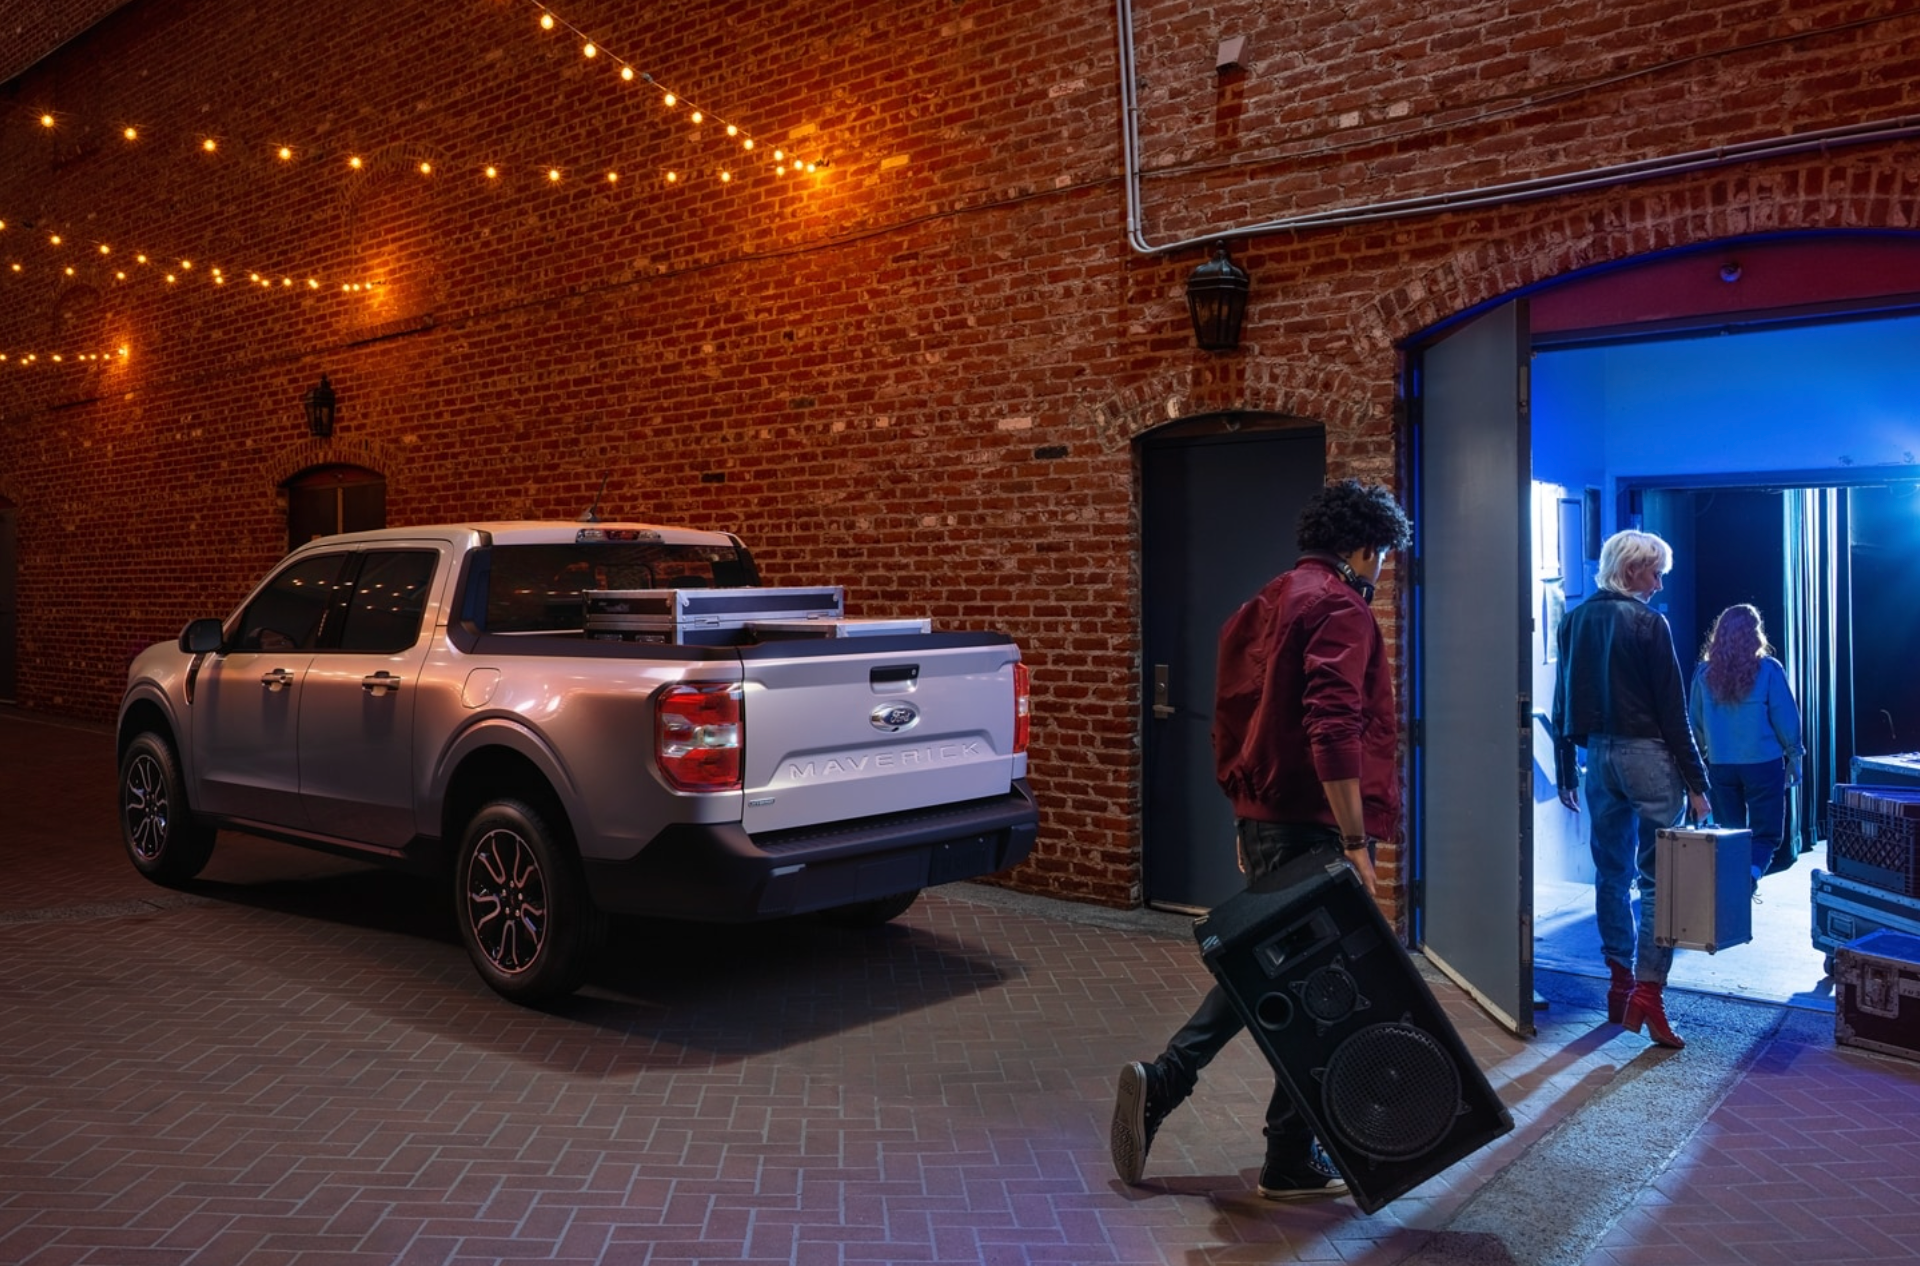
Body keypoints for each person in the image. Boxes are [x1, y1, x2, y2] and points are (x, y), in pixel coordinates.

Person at [1110, 478, 1410, 1201]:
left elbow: (1235, 714)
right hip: (1312, 825)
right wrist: (1354, 842)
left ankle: (1260, 1139)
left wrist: (1247, 812)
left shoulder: (1268, 599)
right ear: (1366, 548)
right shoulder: (1340, 607)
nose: (1382, 572)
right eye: (1384, 559)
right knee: (1315, 988)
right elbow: (1332, 726)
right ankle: (1257, 1138)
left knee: (1280, 975)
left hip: (1270, 819)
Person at [1550, 529, 1711, 1049]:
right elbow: (1672, 712)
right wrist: (1697, 783)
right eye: (1654, 571)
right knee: (1659, 878)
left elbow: (1561, 700)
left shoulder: (1574, 620)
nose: (1660, 583)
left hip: (1597, 754)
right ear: (1632, 569)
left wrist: (1567, 768)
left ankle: (1619, 983)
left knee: (1611, 874)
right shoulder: (1648, 624)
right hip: (1648, 756)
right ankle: (1648, 991)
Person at [1688, 604, 1804, 898]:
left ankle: (1730, 890)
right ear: (1755, 634)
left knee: (1731, 834)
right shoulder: (1769, 670)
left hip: (1720, 765)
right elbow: (1786, 717)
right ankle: (1750, 876)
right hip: (1763, 763)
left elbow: (1694, 722)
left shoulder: (1704, 674)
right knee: (1766, 835)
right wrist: (1794, 756)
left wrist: (1700, 760)